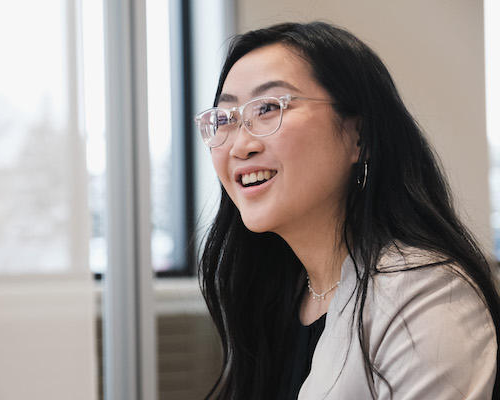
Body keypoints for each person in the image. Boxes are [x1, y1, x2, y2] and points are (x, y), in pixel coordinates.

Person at [194, 21, 500, 399]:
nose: (241, 145)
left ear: (361, 137)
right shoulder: (272, 293)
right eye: (225, 119)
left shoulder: (426, 296)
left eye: (269, 108)